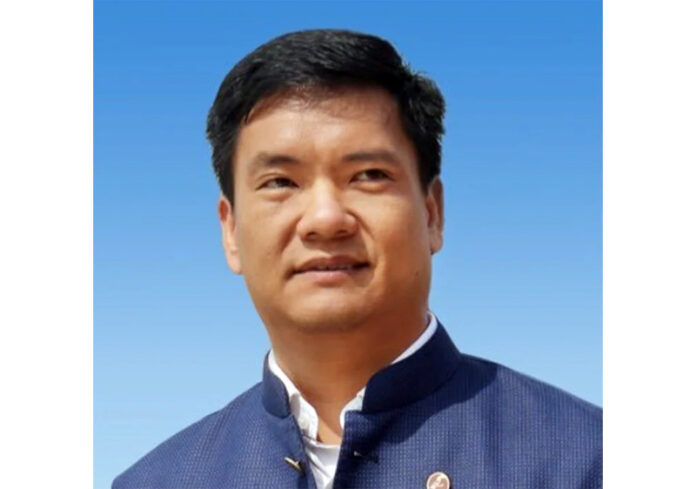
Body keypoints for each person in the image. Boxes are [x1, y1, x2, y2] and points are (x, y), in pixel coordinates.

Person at [112, 29, 602, 489]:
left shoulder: (586, 459)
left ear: (432, 213)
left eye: (368, 175)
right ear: (231, 230)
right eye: (280, 182)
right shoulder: (160, 480)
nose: (325, 219)